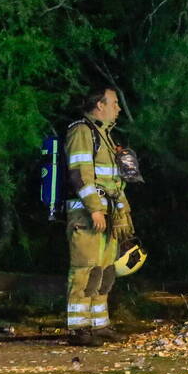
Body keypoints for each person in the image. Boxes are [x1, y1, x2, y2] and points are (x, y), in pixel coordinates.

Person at [64, 86, 134, 346]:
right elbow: (80, 173)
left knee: (104, 271)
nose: (118, 108)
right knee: (85, 269)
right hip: (86, 215)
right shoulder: (81, 132)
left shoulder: (104, 135)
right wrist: (94, 208)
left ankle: (99, 324)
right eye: (114, 103)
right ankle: (78, 329)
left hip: (108, 215)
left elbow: (115, 182)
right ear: (99, 105)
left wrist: (123, 214)